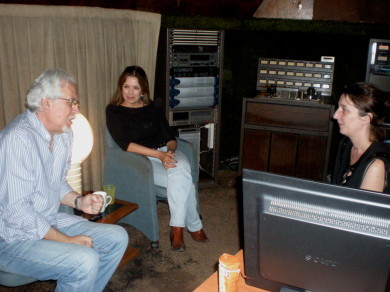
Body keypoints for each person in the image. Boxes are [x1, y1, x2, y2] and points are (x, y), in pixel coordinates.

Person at [0, 69, 128, 291]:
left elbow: (56, 183)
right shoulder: (17, 140)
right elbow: (17, 213)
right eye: (71, 102)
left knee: (118, 237)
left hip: (47, 220)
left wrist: (79, 202)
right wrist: (67, 241)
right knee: (83, 260)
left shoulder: (63, 134)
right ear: (45, 102)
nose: (77, 109)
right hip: (11, 238)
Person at [106, 65, 208, 252]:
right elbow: (125, 144)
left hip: (166, 153)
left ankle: (177, 229)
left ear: (143, 89)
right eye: (126, 86)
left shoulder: (152, 107)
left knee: (180, 173)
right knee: (185, 180)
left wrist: (169, 151)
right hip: (142, 161)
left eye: (135, 87)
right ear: (120, 86)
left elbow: (170, 135)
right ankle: (192, 226)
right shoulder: (114, 111)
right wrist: (159, 155)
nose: (130, 92)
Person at [332, 82, 390, 193]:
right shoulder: (346, 144)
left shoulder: (376, 166)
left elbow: (361, 210)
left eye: (344, 110)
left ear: (366, 118)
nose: (335, 115)